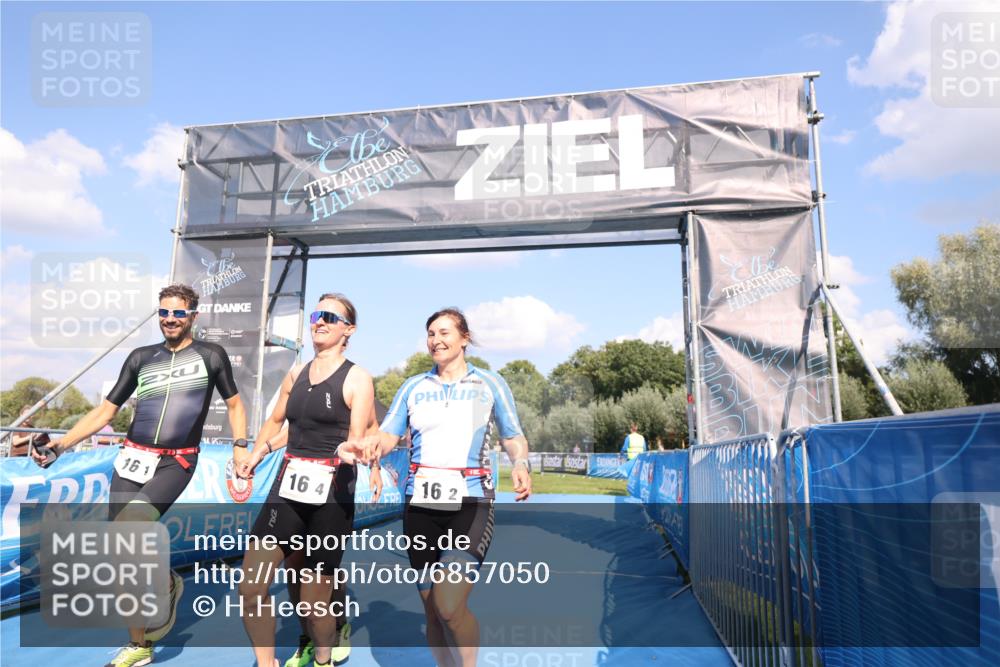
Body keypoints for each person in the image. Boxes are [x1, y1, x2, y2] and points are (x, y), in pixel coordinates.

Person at [32, 283, 248, 667]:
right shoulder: (140, 357)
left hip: (175, 462)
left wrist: (240, 445)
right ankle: (141, 642)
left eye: (178, 313)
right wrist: (60, 447)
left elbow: (234, 405)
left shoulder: (211, 355)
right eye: (163, 312)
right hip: (132, 457)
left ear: (192, 316)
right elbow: (105, 413)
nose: (169, 319)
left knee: (131, 526)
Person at [344, 307, 532, 667]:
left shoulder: (490, 383)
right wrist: (372, 446)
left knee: (448, 605)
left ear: (464, 339)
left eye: (445, 332)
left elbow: (513, 435)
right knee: (431, 609)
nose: (436, 340)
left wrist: (520, 462)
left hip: (470, 502)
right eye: (431, 333)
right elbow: (388, 435)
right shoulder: (413, 386)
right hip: (420, 506)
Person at [239, 293, 376, 667]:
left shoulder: (358, 378)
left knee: (313, 603)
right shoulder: (296, 373)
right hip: (288, 487)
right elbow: (281, 423)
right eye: (316, 314)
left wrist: (355, 450)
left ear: (349, 329)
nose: (319, 321)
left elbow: (357, 433)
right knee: (251, 588)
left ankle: (322, 659)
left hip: (332, 492)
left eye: (330, 316)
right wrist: (257, 452)